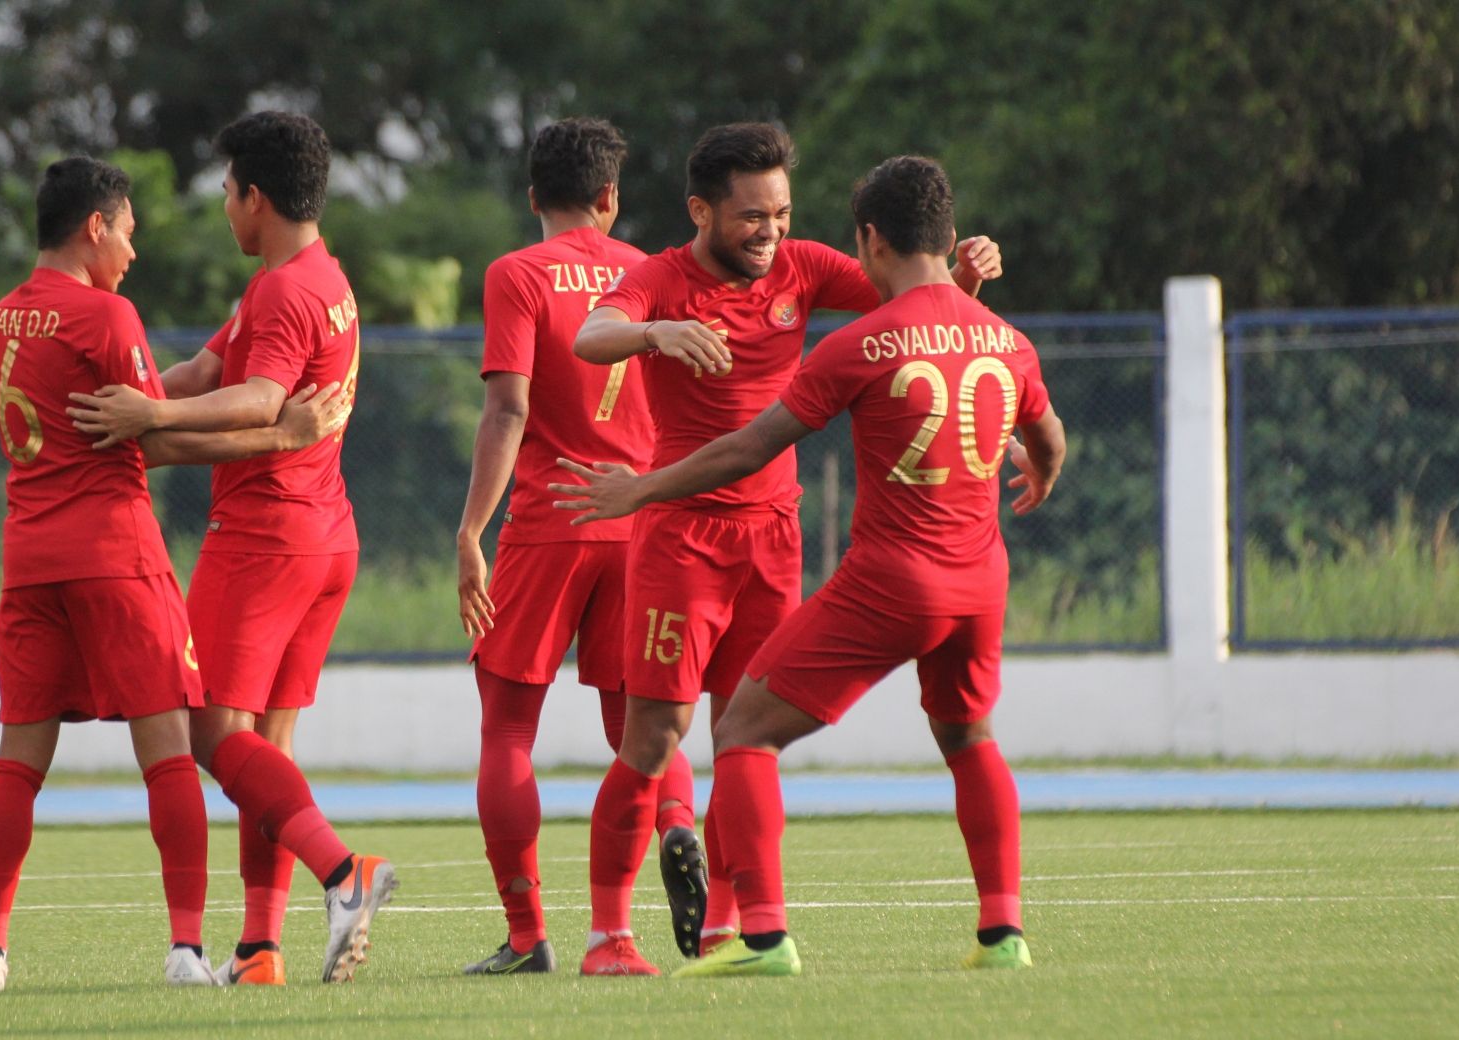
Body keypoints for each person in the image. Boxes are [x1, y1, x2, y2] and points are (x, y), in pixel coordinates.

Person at [554, 154, 1066, 977]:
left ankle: (731, 925)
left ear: (864, 237)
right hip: (682, 537)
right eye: (753, 215)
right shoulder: (658, 277)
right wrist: (655, 333)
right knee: (653, 740)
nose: (772, 232)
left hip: (771, 537)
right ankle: (609, 935)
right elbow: (587, 337)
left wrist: (961, 281)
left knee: (739, 733)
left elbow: (912, 329)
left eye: (782, 212)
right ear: (701, 211)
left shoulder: (807, 267)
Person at [0, 156, 340, 992]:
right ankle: (189, 950)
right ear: (94, 224)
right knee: (171, 751)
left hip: (29, 561)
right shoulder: (106, 314)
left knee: (17, 762)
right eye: (127, 228)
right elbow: (152, 439)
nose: (133, 248)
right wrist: (281, 434)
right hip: (116, 557)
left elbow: (148, 402)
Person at [65, 111, 396, 986]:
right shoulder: (311, 277)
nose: (224, 208)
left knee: (211, 733)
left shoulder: (285, 291)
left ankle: (343, 874)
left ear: (255, 195)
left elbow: (255, 397)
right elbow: (210, 372)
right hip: (324, 535)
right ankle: (258, 949)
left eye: (225, 192)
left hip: (266, 538)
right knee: (266, 756)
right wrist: (131, 401)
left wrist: (152, 420)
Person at [454, 118, 700, 976]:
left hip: (552, 523)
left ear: (533, 199)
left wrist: (471, 532)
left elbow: (508, 410)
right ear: (610, 198)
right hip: (645, 519)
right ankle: (644, 887)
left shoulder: (515, 274)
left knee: (507, 732)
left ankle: (527, 938)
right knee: (642, 732)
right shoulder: (651, 273)